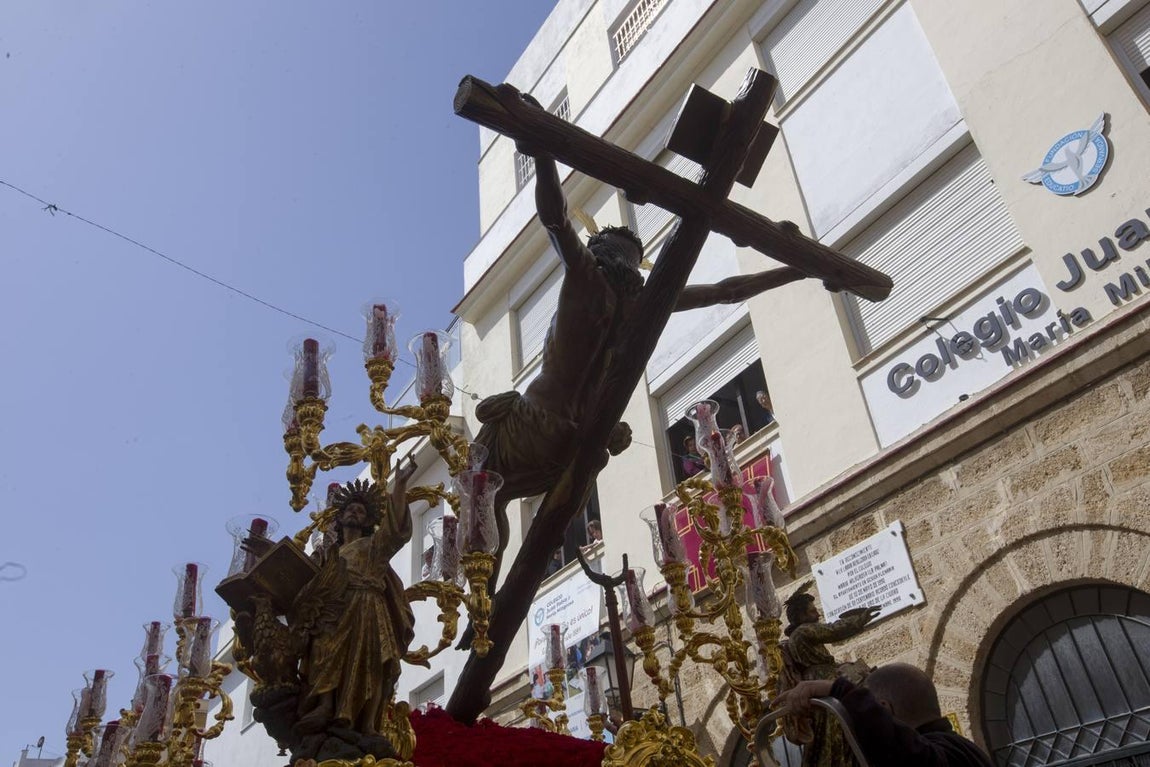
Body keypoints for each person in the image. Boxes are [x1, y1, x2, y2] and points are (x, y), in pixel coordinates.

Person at [473, 111, 811, 595]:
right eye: (620, 252)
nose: (621, 260)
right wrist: (792, 268)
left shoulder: (594, 279)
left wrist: (543, 151)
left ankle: (489, 595)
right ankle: (485, 595)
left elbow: (557, 220)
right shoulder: (638, 300)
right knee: (491, 507)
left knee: (491, 502)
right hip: (565, 440)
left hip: (550, 433)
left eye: (622, 254)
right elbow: (725, 290)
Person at [293, 460, 418, 744]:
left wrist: (399, 486)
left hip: (368, 606)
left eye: (360, 511)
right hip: (334, 612)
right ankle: (325, 705)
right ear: (341, 516)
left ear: (366, 521)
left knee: (374, 663)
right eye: (350, 508)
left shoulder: (373, 546)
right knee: (323, 648)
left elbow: (394, 533)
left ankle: (368, 725)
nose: (354, 512)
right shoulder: (329, 554)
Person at [770, 663, 993, 767]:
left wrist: (838, 691)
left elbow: (907, 755)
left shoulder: (939, 756)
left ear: (885, 710)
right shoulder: (962, 748)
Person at [777, 583, 878, 767]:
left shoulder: (798, 636)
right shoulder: (803, 632)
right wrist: (860, 618)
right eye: (812, 611)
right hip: (822, 680)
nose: (817, 615)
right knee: (838, 720)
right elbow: (833, 630)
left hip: (820, 678)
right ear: (801, 616)